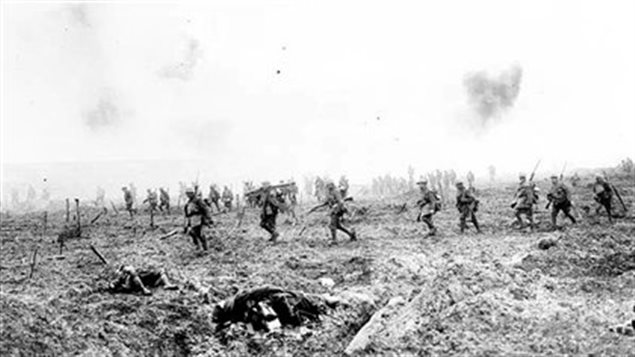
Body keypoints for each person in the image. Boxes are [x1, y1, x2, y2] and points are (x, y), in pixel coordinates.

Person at [108, 265, 177, 296]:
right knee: (133, 273)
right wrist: (113, 285)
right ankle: (143, 289)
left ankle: (167, 284)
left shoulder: (134, 272)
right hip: (133, 283)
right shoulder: (122, 277)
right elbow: (112, 284)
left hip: (143, 279)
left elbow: (131, 270)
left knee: (161, 271)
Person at [184, 187, 212, 251]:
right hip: (193, 220)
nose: (188, 195)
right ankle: (197, 246)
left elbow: (205, 209)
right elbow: (187, 214)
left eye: (189, 194)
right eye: (187, 194)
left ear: (192, 193)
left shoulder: (198, 200)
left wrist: (208, 218)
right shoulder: (189, 202)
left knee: (201, 234)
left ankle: (205, 248)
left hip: (200, 219)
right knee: (192, 233)